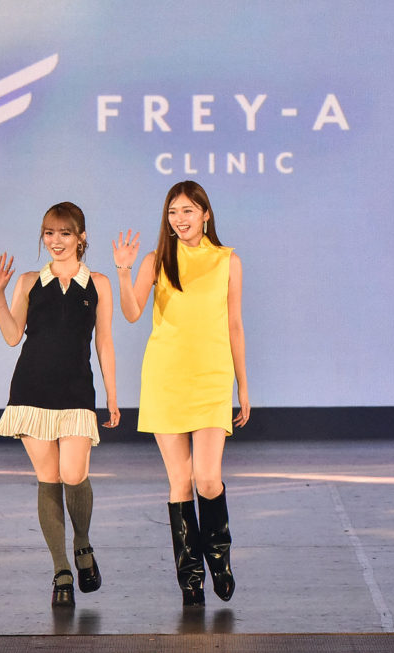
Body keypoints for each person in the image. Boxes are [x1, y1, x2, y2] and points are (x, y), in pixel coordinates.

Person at [112, 180, 249, 606]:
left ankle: (219, 559)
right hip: (166, 377)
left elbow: (234, 325)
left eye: (188, 210)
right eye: (173, 212)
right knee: (179, 481)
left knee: (207, 478)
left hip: (211, 377)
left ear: (206, 213)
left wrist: (243, 386)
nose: (180, 219)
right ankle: (190, 576)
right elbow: (132, 312)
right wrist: (124, 271)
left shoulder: (228, 261)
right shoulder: (157, 259)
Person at [0, 201, 119, 608]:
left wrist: (112, 395)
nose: (56, 240)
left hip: (77, 392)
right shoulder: (30, 281)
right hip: (32, 391)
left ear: (81, 237)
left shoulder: (98, 283)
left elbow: (104, 342)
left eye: (64, 233)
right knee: (48, 479)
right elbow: (13, 336)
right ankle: (61, 569)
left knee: (73, 473)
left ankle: (82, 543)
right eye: (49, 233)